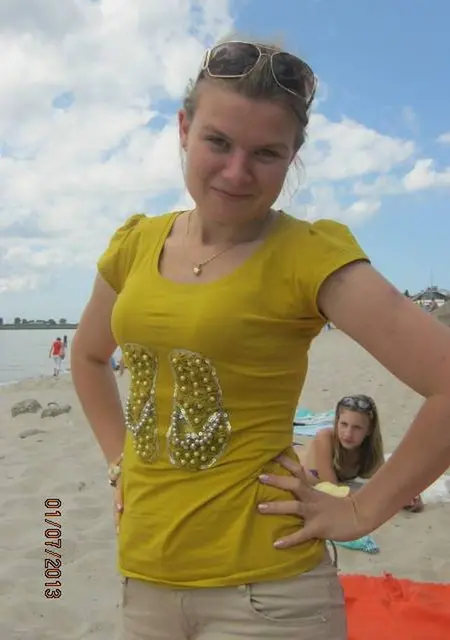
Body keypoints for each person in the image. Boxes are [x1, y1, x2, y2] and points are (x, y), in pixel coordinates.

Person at [70, 36, 450, 639]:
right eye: (218, 142)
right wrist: (120, 465)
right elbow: (89, 357)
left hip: (269, 597)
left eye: (266, 153)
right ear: (184, 130)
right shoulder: (135, 244)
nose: (236, 172)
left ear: (293, 155)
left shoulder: (308, 256)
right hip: (143, 581)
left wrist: (360, 510)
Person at [293, 394, 423, 512]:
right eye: (344, 424)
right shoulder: (325, 438)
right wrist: (392, 498)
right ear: (336, 422)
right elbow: (333, 488)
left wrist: (409, 496)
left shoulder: (369, 450)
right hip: (292, 459)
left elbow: (386, 480)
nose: (348, 434)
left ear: (369, 430)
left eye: (357, 428)